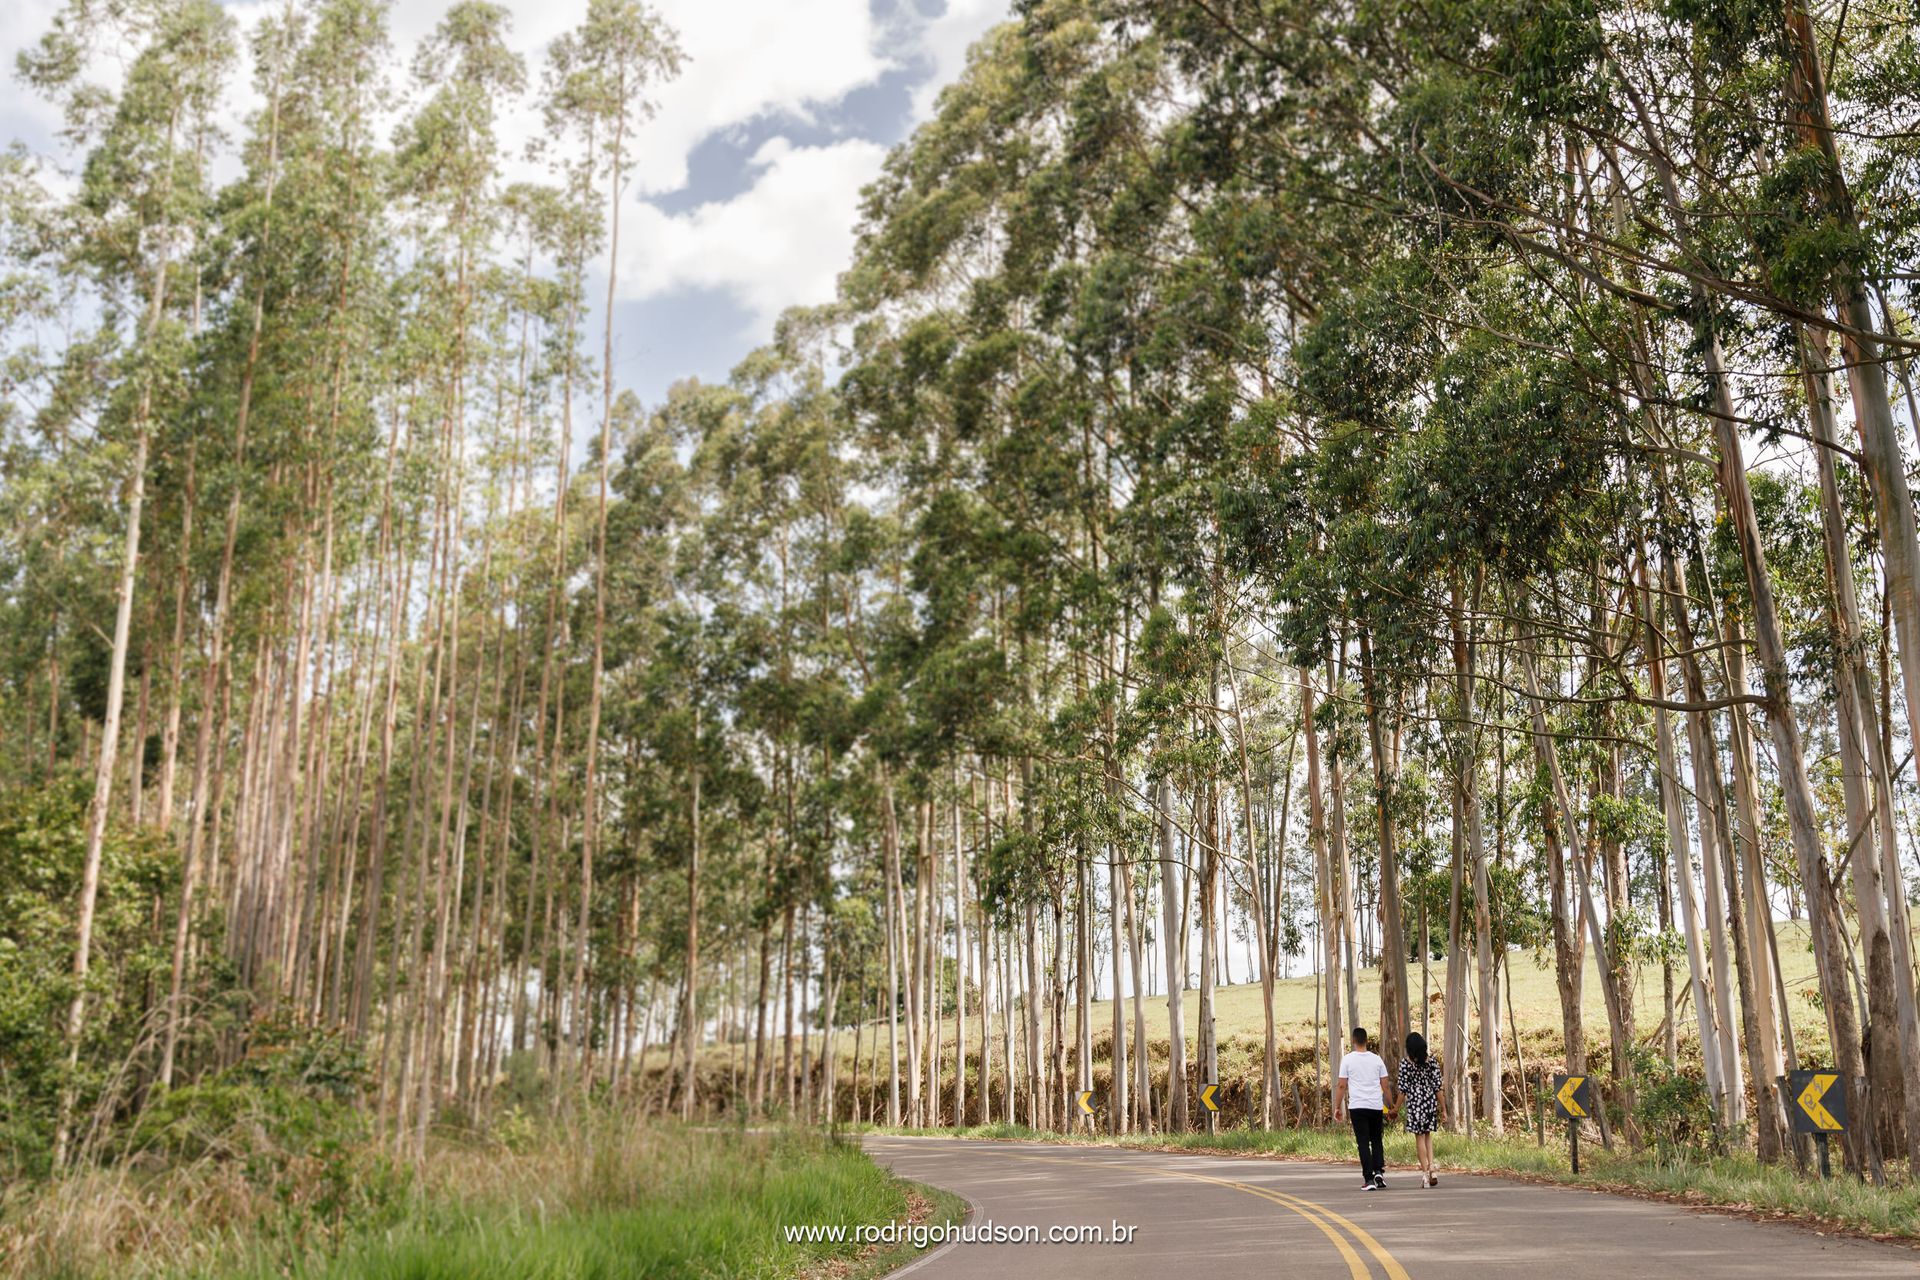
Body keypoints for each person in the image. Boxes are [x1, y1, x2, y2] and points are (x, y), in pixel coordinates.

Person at [1334, 1025, 1394, 1190]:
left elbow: (1341, 1085)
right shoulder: (1377, 1059)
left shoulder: (1347, 1060)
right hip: (1375, 1105)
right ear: (1367, 1040)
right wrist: (1391, 1105)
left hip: (1358, 1106)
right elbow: (1385, 1085)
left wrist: (1337, 1107)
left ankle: (1369, 1179)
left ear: (1353, 1040)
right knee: (1376, 1139)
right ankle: (1378, 1172)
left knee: (1363, 1142)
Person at [1398, 1031, 1443, 1187]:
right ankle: (1432, 1169)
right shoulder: (1432, 1062)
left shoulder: (1406, 1064)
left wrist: (1395, 1108)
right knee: (1427, 1136)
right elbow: (1438, 1087)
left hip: (1415, 1103)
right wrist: (1444, 1108)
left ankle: (1425, 1175)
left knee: (1419, 1138)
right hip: (1429, 1101)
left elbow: (1402, 1090)